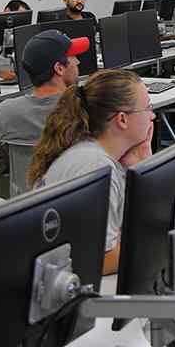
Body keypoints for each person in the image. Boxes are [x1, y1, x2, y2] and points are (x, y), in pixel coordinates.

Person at [27, 69, 155, 275]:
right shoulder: (97, 166)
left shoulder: (95, 153)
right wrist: (157, 245)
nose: (153, 115)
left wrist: (139, 165)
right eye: (148, 107)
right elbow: (100, 258)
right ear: (122, 119)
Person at [0, 29, 89, 173]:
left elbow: (3, 160)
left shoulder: (5, 112)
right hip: (76, 195)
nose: (78, 61)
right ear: (59, 68)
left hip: (27, 195)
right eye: (73, 57)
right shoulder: (84, 110)